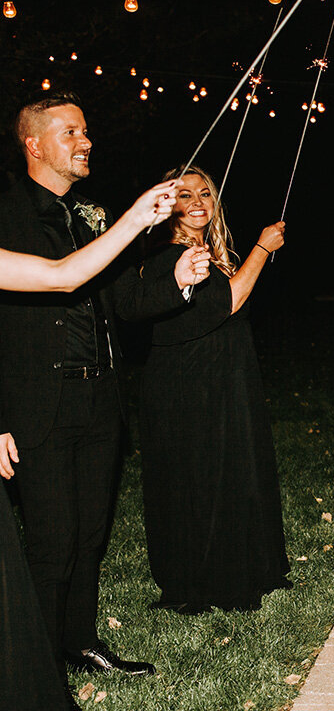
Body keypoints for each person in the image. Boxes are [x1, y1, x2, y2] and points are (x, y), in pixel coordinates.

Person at [0, 91, 213, 682]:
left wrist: (178, 280)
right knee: (52, 540)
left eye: (86, 130)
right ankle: (40, 667)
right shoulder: (6, 211)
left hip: (99, 399)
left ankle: (80, 641)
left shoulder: (89, 216)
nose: (85, 140)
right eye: (70, 132)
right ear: (34, 144)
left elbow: (121, 300)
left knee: (91, 533)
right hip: (34, 404)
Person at [114, 165, 290, 614]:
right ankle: (200, 582)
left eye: (205, 193)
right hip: (187, 388)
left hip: (226, 380)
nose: (196, 201)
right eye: (185, 193)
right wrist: (262, 250)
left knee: (238, 473)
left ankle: (251, 567)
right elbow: (227, 304)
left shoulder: (212, 250)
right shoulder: (166, 256)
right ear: (168, 204)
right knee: (198, 483)